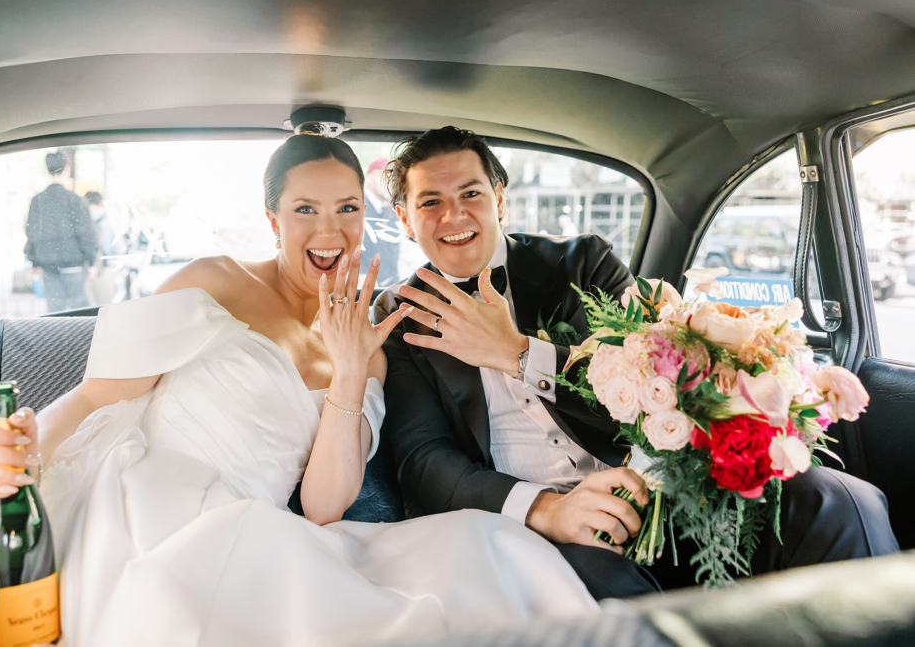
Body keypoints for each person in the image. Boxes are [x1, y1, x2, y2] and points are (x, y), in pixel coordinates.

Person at [0, 134, 597, 645]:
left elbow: (322, 505)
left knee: (482, 555)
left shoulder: (368, 344)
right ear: (271, 217)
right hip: (139, 502)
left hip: (261, 534)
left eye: (347, 209)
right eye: (304, 210)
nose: (328, 232)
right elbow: (96, 396)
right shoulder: (215, 280)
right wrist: (24, 444)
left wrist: (348, 369)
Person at [372, 126, 900, 600]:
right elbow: (424, 461)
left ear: (499, 199)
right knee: (603, 587)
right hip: (540, 526)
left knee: (839, 498)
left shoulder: (583, 263)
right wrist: (547, 510)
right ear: (404, 217)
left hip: (659, 484)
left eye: (471, 194)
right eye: (431, 202)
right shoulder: (399, 316)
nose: (454, 216)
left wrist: (517, 352)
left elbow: (658, 378)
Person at [24, 152, 100, 313]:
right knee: (80, 310)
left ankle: (57, 339)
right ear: (66, 168)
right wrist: (92, 262)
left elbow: (32, 233)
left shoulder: (37, 200)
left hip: (49, 265)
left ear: (48, 169)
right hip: (74, 264)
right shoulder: (75, 200)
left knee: (55, 311)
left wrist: (33, 262)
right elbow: (86, 232)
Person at [359, 158, 403, 286]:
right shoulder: (357, 207)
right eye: (383, 175)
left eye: (393, 178)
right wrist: (360, 274)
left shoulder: (392, 210)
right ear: (369, 176)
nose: (389, 182)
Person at [83, 191, 126, 305]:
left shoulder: (79, 222)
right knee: (105, 309)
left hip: (85, 272)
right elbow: (120, 249)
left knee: (87, 312)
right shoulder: (109, 221)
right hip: (105, 270)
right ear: (100, 203)